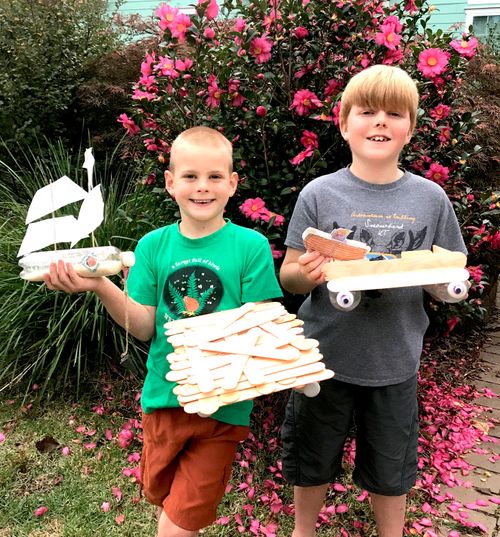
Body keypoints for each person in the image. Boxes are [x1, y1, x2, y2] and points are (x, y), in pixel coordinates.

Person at [44, 126, 283, 537]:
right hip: (163, 398)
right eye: (190, 176)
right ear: (171, 183)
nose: (202, 187)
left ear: (232, 184)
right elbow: (140, 327)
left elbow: (259, 328)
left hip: (220, 408)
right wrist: (102, 285)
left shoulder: (251, 246)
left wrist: (221, 371)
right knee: (165, 496)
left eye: (214, 177)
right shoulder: (154, 246)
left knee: (183, 518)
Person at [279, 65, 467, 537]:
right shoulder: (318, 193)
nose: (380, 121)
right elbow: (289, 275)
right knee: (312, 459)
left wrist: (446, 286)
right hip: (321, 358)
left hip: (395, 362)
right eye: (367, 111)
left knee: (391, 468)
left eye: (394, 113)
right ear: (344, 124)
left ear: (410, 129)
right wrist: (304, 274)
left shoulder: (431, 198)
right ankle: (304, 531)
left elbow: (451, 267)